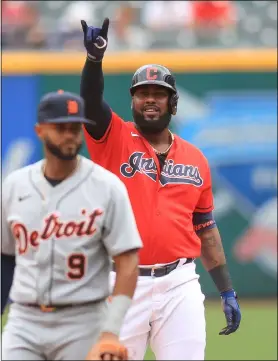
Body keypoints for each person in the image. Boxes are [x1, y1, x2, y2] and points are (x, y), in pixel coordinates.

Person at [80, 18, 241, 361]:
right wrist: (94, 63)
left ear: (173, 103)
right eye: (142, 94)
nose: (150, 100)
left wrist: (227, 290)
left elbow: (206, 229)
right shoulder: (114, 138)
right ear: (133, 101)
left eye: (159, 94)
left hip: (179, 285)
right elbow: (91, 104)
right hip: (120, 283)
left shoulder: (195, 158)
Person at [1, 90, 143, 361]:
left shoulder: (107, 187)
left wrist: (111, 331)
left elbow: (127, 262)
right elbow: (5, 257)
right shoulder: (14, 185)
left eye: (76, 127)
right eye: (61, 128)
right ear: (39, 130)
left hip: (84, 320)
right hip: (25, 320)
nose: (70, 135)